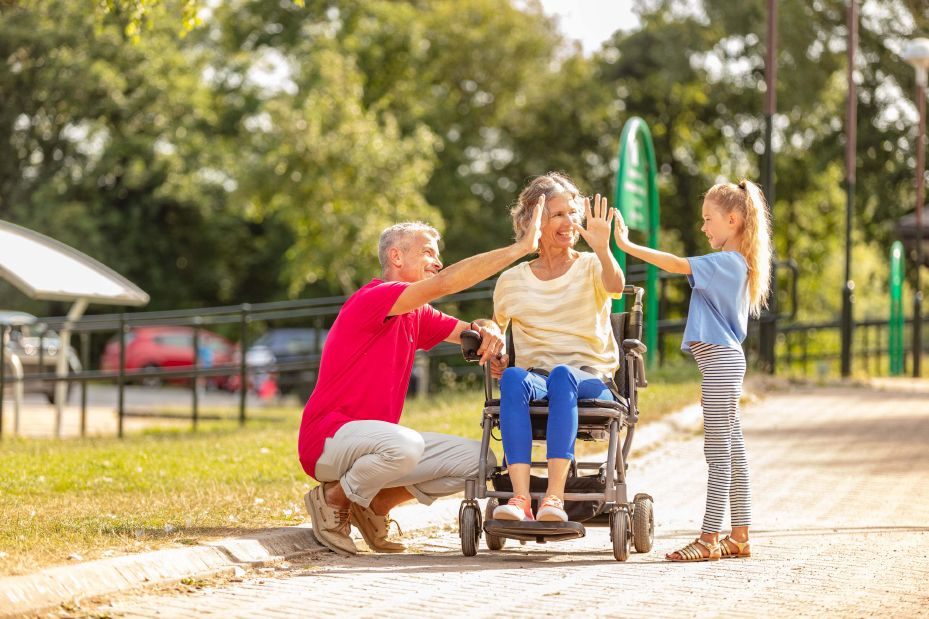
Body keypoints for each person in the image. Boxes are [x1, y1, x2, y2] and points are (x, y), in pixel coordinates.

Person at [299, 212, 542, 556]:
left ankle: (374, 506)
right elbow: (446, 283)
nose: (438, 262)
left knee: (481, 461)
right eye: (428, 252)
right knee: (407, 445)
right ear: (396, 257)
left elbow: (468, 332)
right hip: (328, 441)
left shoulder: (417, 313)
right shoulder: (376, 297)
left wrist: (488, 326)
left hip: (378, 446)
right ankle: (332, 498)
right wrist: (520, 249)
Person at [614, 179, 772, 562]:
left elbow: (673, 264)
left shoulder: (725, 263)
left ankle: (709, 538)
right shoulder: (734, 263)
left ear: (733, 220)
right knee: (732, 450)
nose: (704, 227)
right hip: (722, 362)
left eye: (708, 219)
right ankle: (739, 535)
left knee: (718, 454)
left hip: (720, 362)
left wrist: (627, 246)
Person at [490, 173, 626, 523]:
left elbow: (616, 284)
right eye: (559, 214)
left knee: (563, 375)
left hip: (591, 382)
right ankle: (520, 498)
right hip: (538, 382)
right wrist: (497, 355)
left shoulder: (592, 266)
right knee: (513, 379)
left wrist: (603, 248)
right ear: (534, 221)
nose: (570, 223)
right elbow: (496, 331)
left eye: (573, 214)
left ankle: (553, 497)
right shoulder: (511, 280)